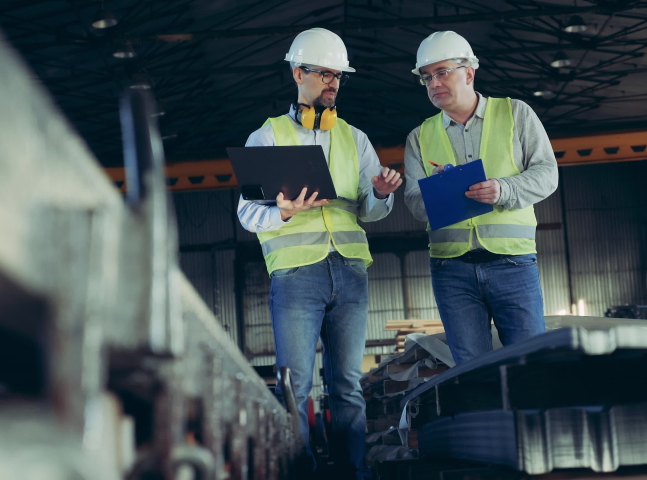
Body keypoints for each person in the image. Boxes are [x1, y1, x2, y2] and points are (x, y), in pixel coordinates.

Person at [236, 27, 401, 479]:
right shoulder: (266, 137)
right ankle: (299, 471)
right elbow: (247, 213)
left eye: (338, 76)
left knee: (348, 385)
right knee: (296, 387)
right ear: (297, 73)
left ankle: (354, 471)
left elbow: (370, 211)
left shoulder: (354, 138)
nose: (333, 83)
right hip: (295, 277)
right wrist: (283, 212)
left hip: (349, 272)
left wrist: (383, 193)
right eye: (325, 73)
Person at [403, 31, 558, 365]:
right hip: (451, 270)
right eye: (427, 78)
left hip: (513, 264)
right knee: (471, 371)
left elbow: (548, 174)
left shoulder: (516, 114)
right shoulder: (419, 136)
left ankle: (526, 420)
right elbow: (414, 203)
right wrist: (442, 194)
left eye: (442, 72)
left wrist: (504, 190)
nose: (434, 83)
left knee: (532, 364)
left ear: (469, 73)